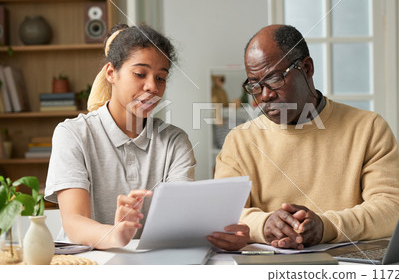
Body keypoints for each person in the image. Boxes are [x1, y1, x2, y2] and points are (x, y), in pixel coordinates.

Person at [45, 24, 248, 250]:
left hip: (149, 263)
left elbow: (179, 222)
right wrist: (115, 235)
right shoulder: (73, 134)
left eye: (161, 78)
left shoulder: (175, 142)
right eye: (140, 74)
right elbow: (74, 222)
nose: (152, 87)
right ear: (111, 73)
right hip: (86, 264)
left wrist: (224, 234)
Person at [214, 24, 399, 250]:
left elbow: (392, 209)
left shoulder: (369, 128)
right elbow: (222, 215)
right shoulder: (239, 141)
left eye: (275, 78)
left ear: (306, 68)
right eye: (255, 85)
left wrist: (327, 227)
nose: (265, 95)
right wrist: (264, 224)